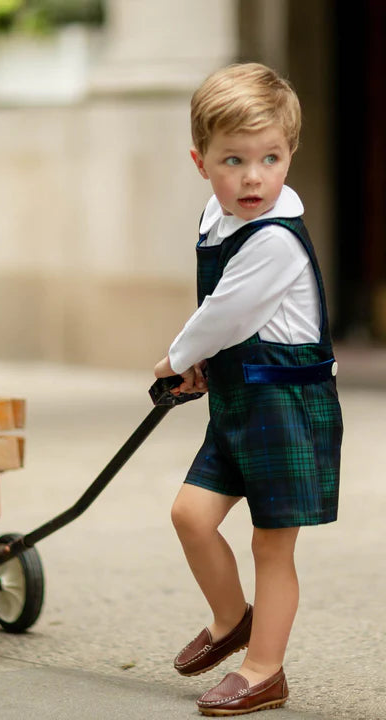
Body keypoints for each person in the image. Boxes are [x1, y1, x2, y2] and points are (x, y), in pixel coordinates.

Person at [154, 63, 343, 716]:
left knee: (272, 542)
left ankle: (265, 670)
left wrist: (177, 358)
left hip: (286, 408)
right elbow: (222, 310)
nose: (254, 176)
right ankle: (233, 619)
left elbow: (226, 312)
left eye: (271, 157)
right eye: (233, 159)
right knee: (190, 515)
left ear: (290, 153)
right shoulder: (219, 214)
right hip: (240, 403)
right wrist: (204, 364)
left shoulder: (276, 241)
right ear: (200, 161)